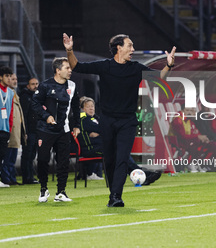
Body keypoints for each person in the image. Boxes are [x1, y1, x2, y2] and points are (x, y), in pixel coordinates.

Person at [63, 33, 175, 207]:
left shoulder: (136, 68)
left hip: (128, 121)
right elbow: (76, 66)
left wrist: (169, 64)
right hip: (107, 121)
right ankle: (117, 191)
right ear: (118, 48)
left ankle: (116, 196)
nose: (133, 49)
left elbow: (161, 77)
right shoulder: (104, 66)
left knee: (122, 158)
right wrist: (69, 50)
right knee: (110, 160)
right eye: (130, 46)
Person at [78, 96, 161, 184]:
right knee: (119, 151)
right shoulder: (83, 119)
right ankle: (142, 174)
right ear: (82, 109)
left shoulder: (96, 118)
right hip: (91, 149)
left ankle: (141, 175)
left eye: (92, 106)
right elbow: (104, 129)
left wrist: (101, 133)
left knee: (121, 152)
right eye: (88, 106)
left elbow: (106, 129)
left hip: (102, 146)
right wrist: (103, 132)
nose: (91, 108)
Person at [32, 57, 80, 203]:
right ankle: (43, 189)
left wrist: (76, 125)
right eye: (67, 68)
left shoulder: (72, 85)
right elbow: (35, 104)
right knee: (42, 160)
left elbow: (76, 107)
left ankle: (61, 192)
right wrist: (46, 116)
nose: (70, 70)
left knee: (63, 161)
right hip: (45, 129)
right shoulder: (45, 85)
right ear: (58, 70)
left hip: (63, 129)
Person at [168, 106, 216, 173]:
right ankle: (190, 163)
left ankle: (200, 164)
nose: (190, 112)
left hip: (188, 141)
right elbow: (182, 136)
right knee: (196, 143)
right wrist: (197, 137)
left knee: (212, 145)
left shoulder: (189, 120)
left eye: (191, 111)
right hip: (178, 143)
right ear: (182, 110)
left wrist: (203, 138)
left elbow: (195, 132)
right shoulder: (178, 120)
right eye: (187, 110)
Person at [1, 74, 26, 185]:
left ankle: (11, 178)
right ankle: (6, 178)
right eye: (12, 79)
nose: (15, 81)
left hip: (16, 130)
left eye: (16, 79)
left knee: (12, 156)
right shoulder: (6, 95)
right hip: (10, 130)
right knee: (8, 155)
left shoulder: (14, 94)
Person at [19, 77, 39, 184]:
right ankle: (26, 178)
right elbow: (24, 116)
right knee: (27, 154)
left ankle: (30, 177)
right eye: (33, 84)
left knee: (32, 155)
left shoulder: (37, 97)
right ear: (28, 86)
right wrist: (24, 131)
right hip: (29, 131)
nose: (35, 86)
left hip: (35, 130)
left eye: (36, 84)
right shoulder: (25, 97)